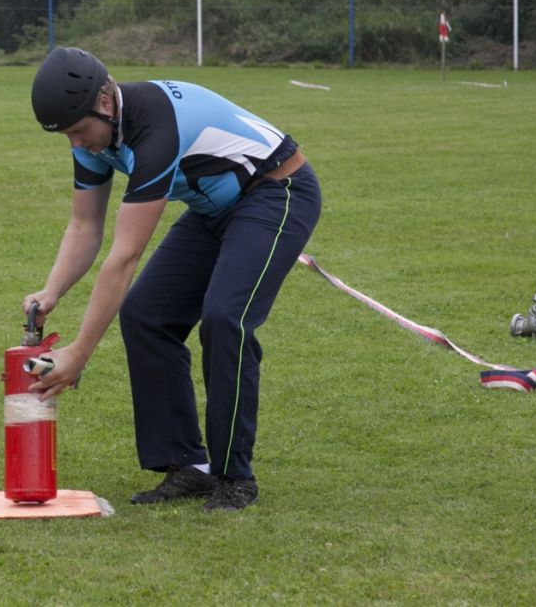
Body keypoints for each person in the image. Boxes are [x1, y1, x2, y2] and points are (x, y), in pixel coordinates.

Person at [22, 47, 321, 511]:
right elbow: (84, 225)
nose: (77, 144)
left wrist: (79, 353)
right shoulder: (96, 138)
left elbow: (124, 257)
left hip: (277, 193)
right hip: (214, 209)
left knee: (225, 318)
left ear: (105, 102)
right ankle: (187, 465)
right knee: (147, 315)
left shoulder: (154, 127)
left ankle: (234, 476)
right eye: (67, 136)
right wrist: (52, 289)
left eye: (79, 131)